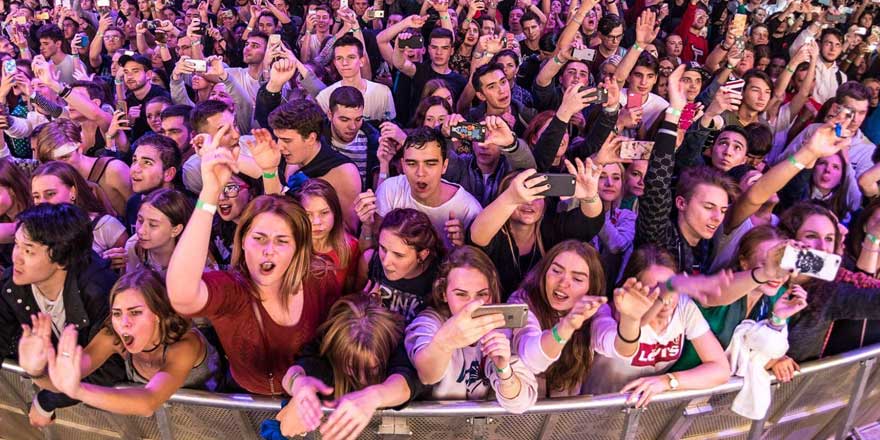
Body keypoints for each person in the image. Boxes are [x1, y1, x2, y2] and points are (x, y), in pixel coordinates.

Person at [166, 138, 341, 395]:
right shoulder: (232, 289)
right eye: (259, 239)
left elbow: (327, 344)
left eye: (282, 241)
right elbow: (182, 296)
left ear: (298, 248)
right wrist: (209, 194)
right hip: (247, 399)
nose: (269, 249)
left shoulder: (319, 276)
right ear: (243, 241)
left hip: (306, 401)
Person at [17, 269, 219, 417]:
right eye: (117, 313)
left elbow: (149, 402)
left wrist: (77, 390)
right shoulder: (113, 335)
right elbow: (64, 380)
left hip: (218, 427)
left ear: (159, 314)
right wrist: (35, 370)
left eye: (135, 312)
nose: (124, 324)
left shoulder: (185, 343)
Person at [0, 203, 123, 426]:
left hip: (114, 413)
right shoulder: (11, 285)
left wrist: (46, 400)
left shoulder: (99, 290)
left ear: (62, 258)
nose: (16, 257)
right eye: (16, 245)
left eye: (28, 250)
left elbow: (108, 369)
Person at [585, 245, 731, 406]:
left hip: (644, 413)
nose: (666, 298)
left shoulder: (683, 307)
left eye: (671, 288)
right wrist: (667, 289)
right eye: (654, 289)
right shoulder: (614, 313)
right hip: (596, 412)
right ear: (633, 289)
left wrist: (667, 381)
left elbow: (721, 369)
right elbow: (626, 340)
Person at [405, 246, 538, 413]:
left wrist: (504, 369)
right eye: (461, 295)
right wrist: (445, 342)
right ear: (444, 293)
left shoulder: (499, 327)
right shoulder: (430, 322)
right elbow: (427, 375)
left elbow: (520, 404)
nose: (472, 305)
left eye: (482, 295)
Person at [271, 295, 424, 439]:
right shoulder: (327, 353)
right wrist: (300, 387)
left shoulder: (400, 345)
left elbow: (405, 383)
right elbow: (296, 372)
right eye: (351, 367)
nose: (362, 378)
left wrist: (373, 397)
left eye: (372, 368)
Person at [469, 159, 605, 297]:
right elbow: (477, 235)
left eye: (537, 196)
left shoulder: (551, 227)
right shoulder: (494, 230)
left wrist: (590, 197)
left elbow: (590, 222)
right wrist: (510, 197)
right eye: (520, 196)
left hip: (541, 312)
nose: (529, 202)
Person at [509, 240, 608, 397]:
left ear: (591, 286)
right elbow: (532, 357)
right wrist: (566, 326)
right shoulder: (521, 301)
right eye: (556, 271)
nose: (563, 283)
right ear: (545, 271)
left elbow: (616, 345)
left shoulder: (595, 307)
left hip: (563, 413)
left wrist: (632, 319)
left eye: (577, 279)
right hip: (520, 412)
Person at [373, 127, 483, 247]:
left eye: (430, 164)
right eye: (412, 163)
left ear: (444, 166)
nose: (420, 172)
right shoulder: (389, 190)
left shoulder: (468, 209)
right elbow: (374, 247)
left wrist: (462, 247)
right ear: (403, 165)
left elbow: (479, 261)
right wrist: (367, 225)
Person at [355, 208, 446, 323]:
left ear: (422, 255)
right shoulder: (370, 261)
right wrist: (364, 307)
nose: (386, 262)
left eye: (398, 255)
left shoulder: (438, 278)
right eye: (383, 248)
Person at [32, 119, 133, 217]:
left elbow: (138, 211)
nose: (58, 165)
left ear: (80, 149)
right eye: (51, 161)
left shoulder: (114, 170)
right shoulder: (51, 182)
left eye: (64, 157)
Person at [30, 161, 127, 255]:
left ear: (73, 192)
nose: (42, 202)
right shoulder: (30, 230)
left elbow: (129, 268)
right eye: (36, 196)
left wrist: (103, 265)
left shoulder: (105, 226)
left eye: (50, 194)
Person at [293, 179, 360, 292]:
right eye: (308, 214)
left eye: (324, 213)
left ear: (335, 213)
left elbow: (348, 291)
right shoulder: (293, 247)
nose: (317, 222)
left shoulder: (350, 246)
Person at [316, 35, 396, 121]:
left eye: (351, 57)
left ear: (362, 61)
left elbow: (390, 127)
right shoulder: (324, 97)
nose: (345, 63)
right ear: (335, 63)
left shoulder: (383, 93)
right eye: (339, 58)